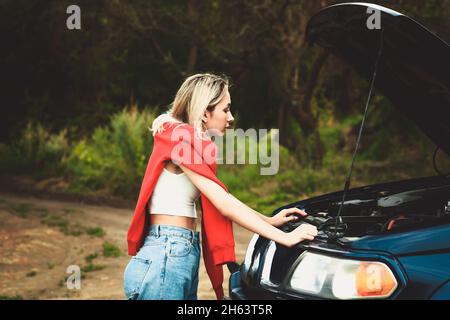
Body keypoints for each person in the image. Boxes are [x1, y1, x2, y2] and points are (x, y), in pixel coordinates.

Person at [123, 73, 318, 300]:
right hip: (167, 253)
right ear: (205, 113)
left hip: (176, 251)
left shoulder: (185, 143)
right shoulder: (179, 141)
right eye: (226, 109)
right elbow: (224, 203)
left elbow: (223, 197)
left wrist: (270, 220)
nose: (231, 117)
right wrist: (284, 237)